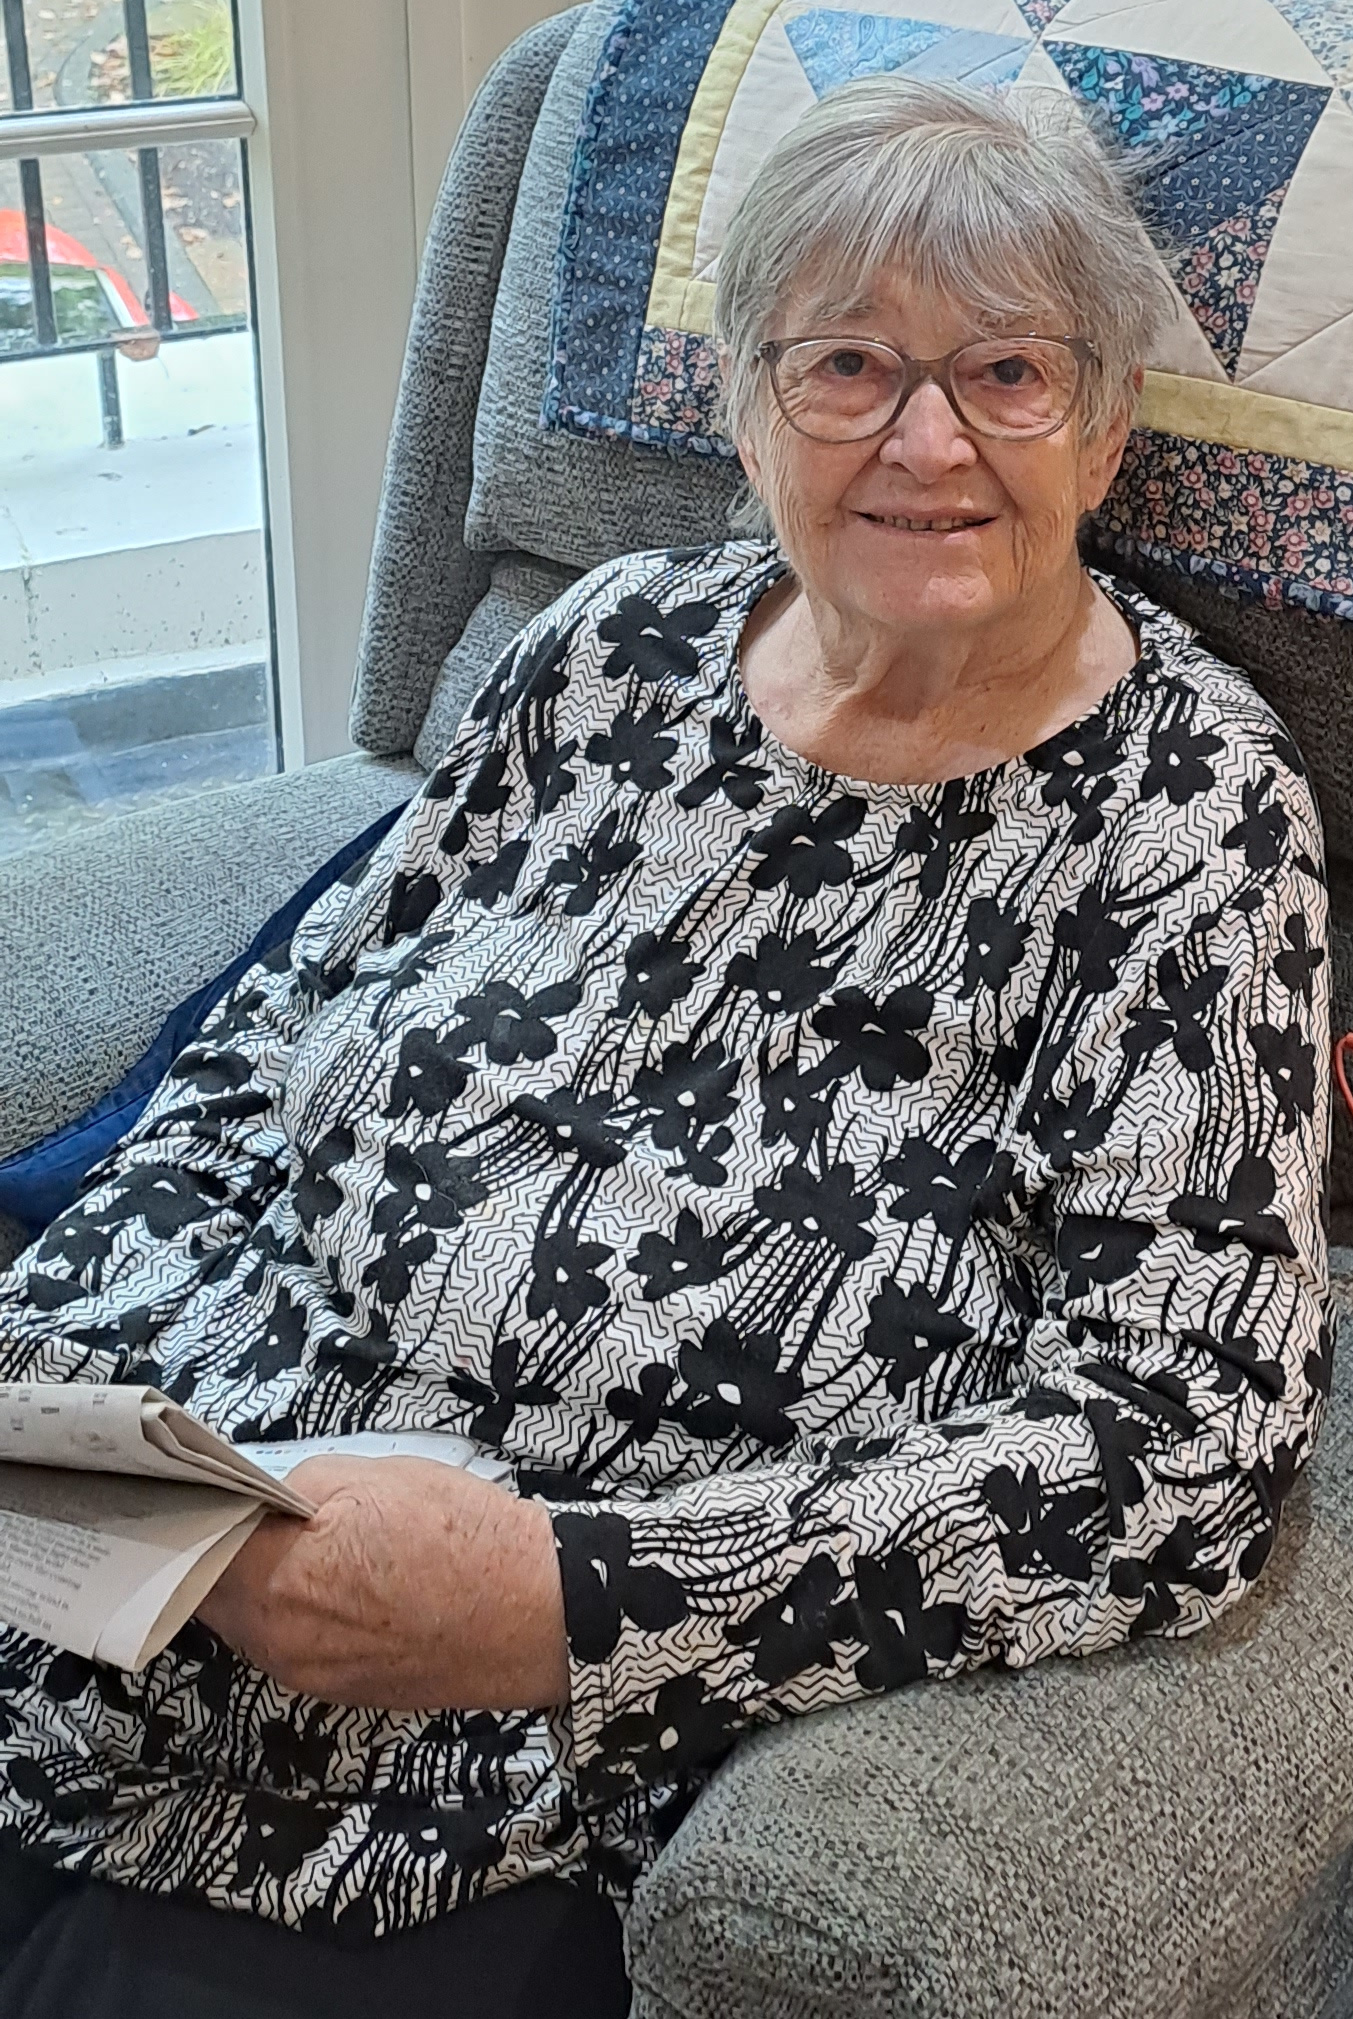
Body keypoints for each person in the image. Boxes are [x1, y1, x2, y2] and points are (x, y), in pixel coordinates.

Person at [0, 73, 1330, 2019]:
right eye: (846, 365)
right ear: (741, 408)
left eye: (1006, 373)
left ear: (1108, 425)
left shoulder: (1185, 818)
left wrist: (572, 1599)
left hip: (481, 1764)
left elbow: (1177, 1444)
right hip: (148, 1546)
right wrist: (58, 1385)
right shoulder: (610, 639)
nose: (926, 439)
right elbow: (286, 1026)